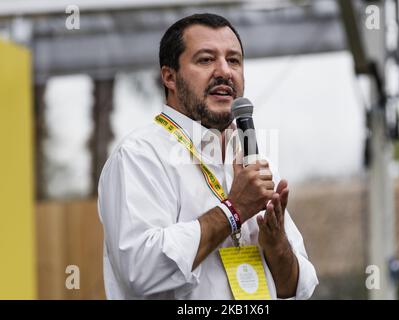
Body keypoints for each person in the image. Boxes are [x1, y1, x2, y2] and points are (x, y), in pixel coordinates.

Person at [98, 13, 318, 300]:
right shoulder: (139, 156)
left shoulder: (251, 160)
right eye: (205, 59)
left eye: (234, 60)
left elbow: (296, 289)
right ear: (169, 77)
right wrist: (233, 210)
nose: (225, 71)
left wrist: (277, 247)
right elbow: (140, 271)